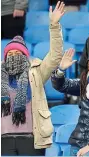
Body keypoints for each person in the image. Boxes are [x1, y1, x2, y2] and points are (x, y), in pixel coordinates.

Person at [1, 1, 65, 155]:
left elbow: (55, 56)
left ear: (26, 56)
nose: (14, 56)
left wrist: (54, 26)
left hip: (31, 138)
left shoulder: (35, 73)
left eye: (18, 53)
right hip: (3, 140)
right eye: (10, 54)